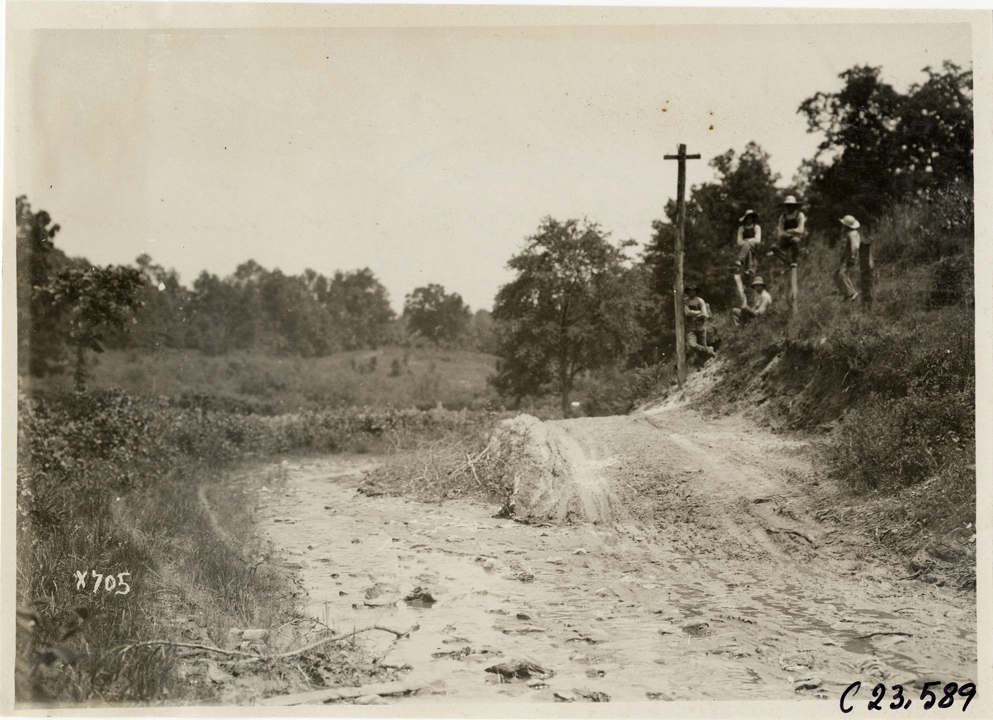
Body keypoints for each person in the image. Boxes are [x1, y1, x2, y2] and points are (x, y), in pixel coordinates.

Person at [732, 210, 761, 306]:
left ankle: (740, 260)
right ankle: (748, 268)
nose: (749, 219)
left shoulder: (756, 227)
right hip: (746, 250)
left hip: (754, 249)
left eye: (750, 217)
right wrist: (746, 243)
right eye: (747, 217)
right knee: (746, 248)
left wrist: (748, 241)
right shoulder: (742, 228)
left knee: (748, 245)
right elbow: (739, 241)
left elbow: (757, 240)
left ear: (753, 218)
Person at [768, 196, 806, 267]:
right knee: (774, 247)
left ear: (794, 206)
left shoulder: (799, 215)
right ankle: (787, 260)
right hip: (786, 238)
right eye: (787, 205)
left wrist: (789, 231)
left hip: (797, 237)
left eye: (791, 205)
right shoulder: (783, 217)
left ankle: (795, 260)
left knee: (794, 240)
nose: (789, 207)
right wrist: (786, 235)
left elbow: (800, 230)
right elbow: (781, 232)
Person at [683, 283, 716, 360]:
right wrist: (698, 312)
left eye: (694, 290)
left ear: (696, 291)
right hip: (690, 327)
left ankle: (703, 365)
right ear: (688, 291)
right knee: (692, 345)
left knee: (702, 344)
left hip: (701, 326)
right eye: (690, 291)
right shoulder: (685, 301)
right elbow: (687, 313)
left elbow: (704, 314)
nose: (692, 292)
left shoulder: (700, 300)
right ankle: (709, 350)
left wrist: (693, 314)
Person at [835, 215, 861, 302]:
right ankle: (847, 294)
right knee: (839, 275)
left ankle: (852, 292)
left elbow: (855, 246)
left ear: (846, 226)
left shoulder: (852, 234)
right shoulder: (851, 234)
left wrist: (852, 257)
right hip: (847, 257)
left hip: (850, 257)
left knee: (842, 275)